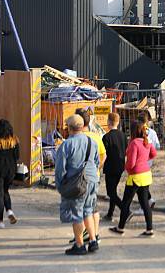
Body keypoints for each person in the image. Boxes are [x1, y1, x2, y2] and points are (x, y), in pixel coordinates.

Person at [55, 115, 100, 255]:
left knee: (77, 214)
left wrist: (60, 185)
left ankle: (79, 245)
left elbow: (60, 169)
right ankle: (93, 241)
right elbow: (97, 161)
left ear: (69, 128)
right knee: (88, 210)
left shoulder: (66, 145)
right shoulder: (92, 141)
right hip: (92, 180)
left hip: (77, 183)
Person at [109, 120, 157, 236]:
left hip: (135, 176)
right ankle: (149, 229)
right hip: (146, 174)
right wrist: (144, 160)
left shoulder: (134, 143)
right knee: (145, 203)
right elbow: (153, 154)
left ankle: (120, 228)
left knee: (126, 203)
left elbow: (131, 163)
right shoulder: (146, 142)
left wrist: (127, 169)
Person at [70, 109, 106, 245]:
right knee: (93, 207)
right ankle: (94, 235)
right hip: (93, 177)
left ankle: (81, 237)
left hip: (79, 179)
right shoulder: (96, 136)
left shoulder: (74, 138)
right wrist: (97, 168)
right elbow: (103, 155)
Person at [102, 112, 128, 221]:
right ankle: (110, 213)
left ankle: (125, 210)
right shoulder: (123, 135)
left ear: (108, 122)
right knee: (113, 190)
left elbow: (104, 153)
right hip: (121, 166)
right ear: (118, 122)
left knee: (110, 192)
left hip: (110, 167)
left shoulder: (106, 137)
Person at [140, 112, 160, 209]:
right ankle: (149, 200)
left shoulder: (140, 132)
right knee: (144, 182)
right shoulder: (153, 133)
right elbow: (157, 146)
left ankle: (146, 203)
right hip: (149, 161)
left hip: (140, 161)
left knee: (141, 184)